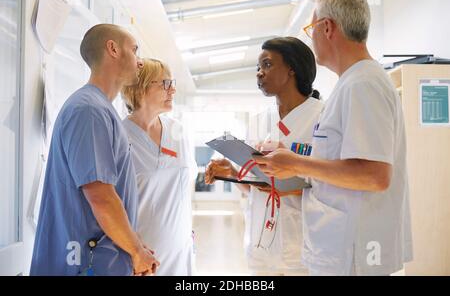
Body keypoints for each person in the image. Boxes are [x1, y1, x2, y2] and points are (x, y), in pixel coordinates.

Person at [252, 0, 413, 276]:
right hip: (340, 249)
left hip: (352, 253)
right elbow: (343, 162)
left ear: (327, 28)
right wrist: (297, 161)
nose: (310, 37)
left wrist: (297, 163)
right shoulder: (352, 83)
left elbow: (375, 175)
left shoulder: (362, 84)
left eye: (311, 27)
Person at [30, 24, 159, 276]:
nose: (140, 61)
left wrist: (134, 243)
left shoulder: (101, 109)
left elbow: (113, 195)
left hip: (98, 261)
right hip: (81, 263)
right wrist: (135, 250)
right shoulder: (89, 111)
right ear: (112, 49)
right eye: (134, 50)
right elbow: (101, 197)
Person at [205, 37, 323, 275]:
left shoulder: (322, 117)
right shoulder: (260, 119)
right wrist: (234, 174)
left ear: (292, 68)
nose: (259, 73)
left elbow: (338, 183)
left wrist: (292, 180)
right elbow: (255, 187)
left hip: (302, 247)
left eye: (267, 65)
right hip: (260, 247)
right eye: (258, 68)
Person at [122, 58, 198, 276]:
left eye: (171, 82)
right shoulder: (119, 135)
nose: (172, 89)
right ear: (140, 87)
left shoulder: (179, 132)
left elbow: (184, 187)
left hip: (181, 250)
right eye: (165, 83)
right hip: (143, 256)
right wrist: (132, 251)